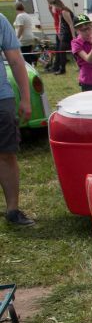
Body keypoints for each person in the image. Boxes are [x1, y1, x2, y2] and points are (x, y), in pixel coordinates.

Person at [1, 15, 34, 226]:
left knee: (6, 154)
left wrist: (26, 98)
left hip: (1, 98)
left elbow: (15, 59)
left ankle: (12, 209)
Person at [45, 0, 75, 75]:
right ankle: (59, 68)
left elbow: (70, 24)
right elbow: (58, 21)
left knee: (62, 50)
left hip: (66, 33)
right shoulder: (57, 9)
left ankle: (60, 68)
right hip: (62, 32)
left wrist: (73, 36)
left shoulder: (63, 11)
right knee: (61, 50)